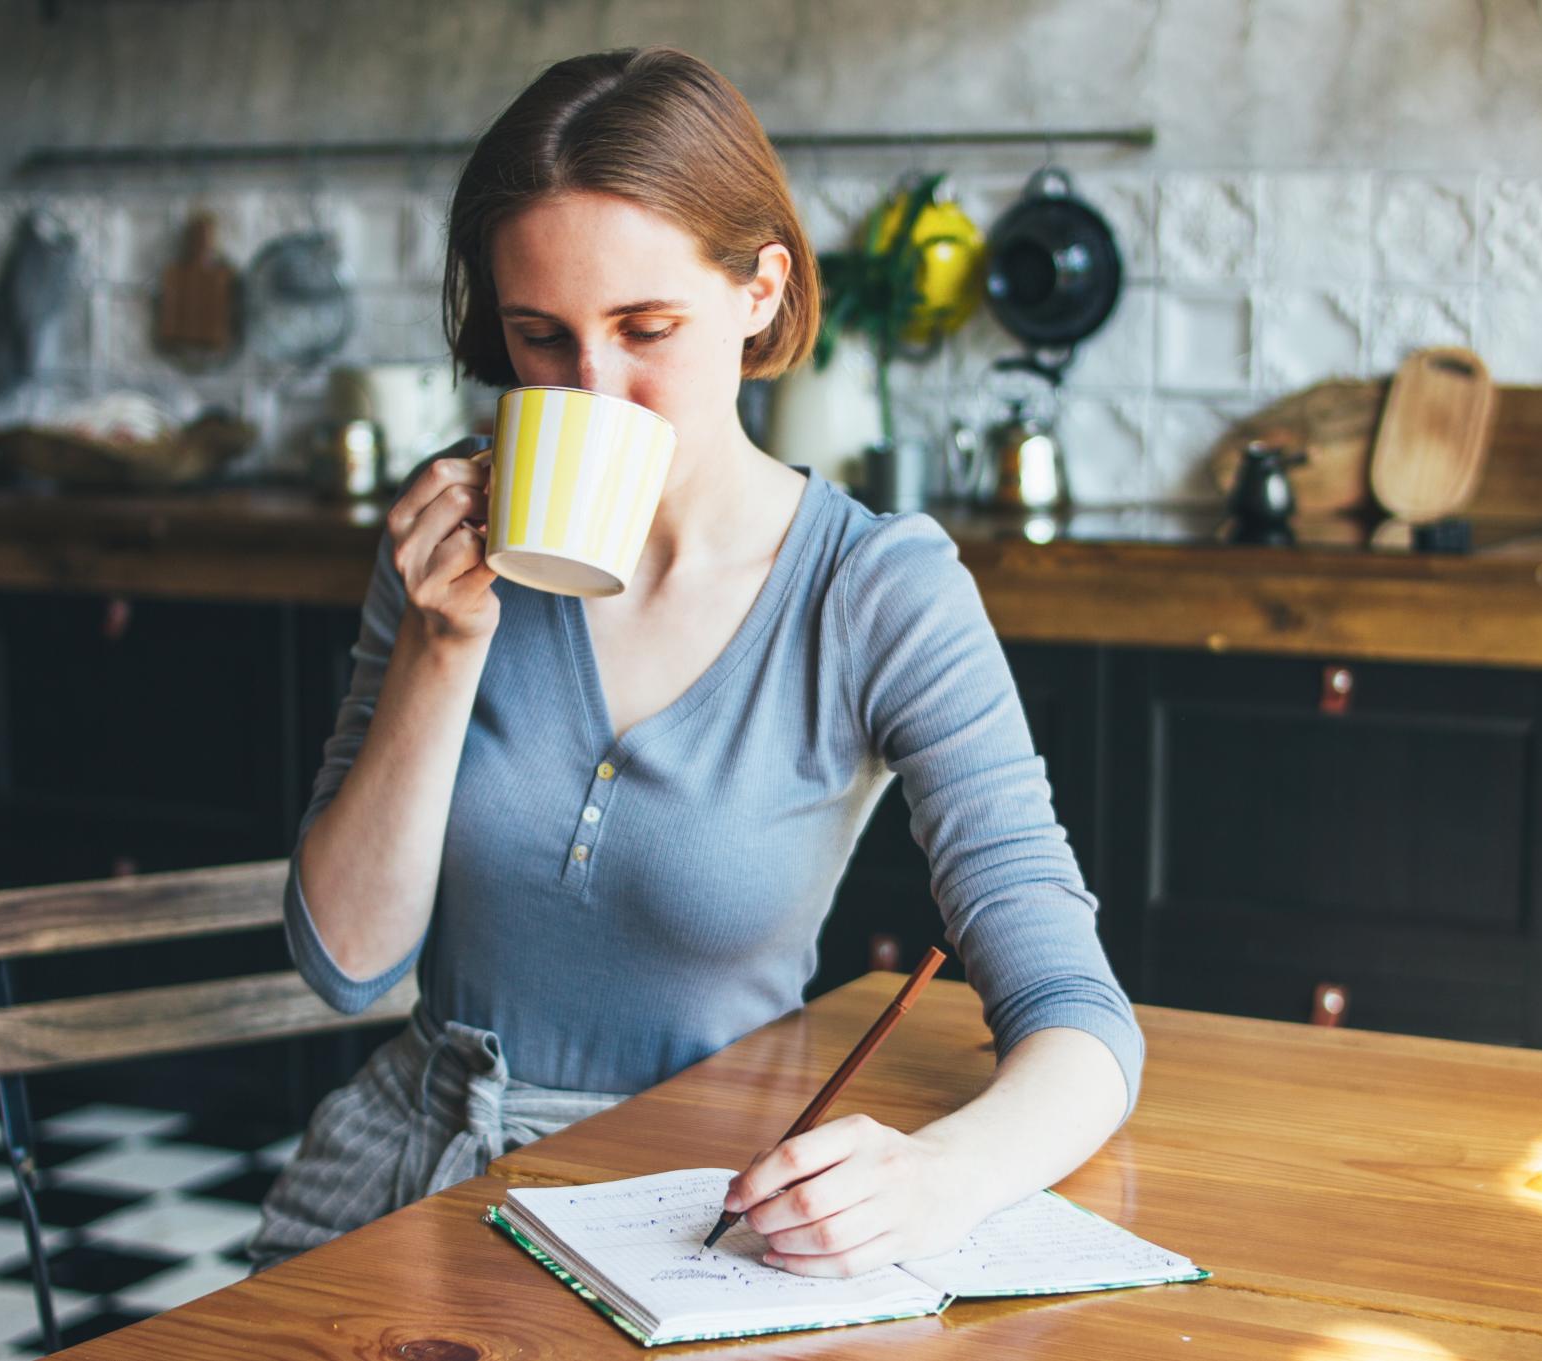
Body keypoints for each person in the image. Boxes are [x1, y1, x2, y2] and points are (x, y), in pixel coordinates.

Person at [249, 45, 1142, 1279]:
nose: (594, 389)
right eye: (540, 339)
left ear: (761, 291)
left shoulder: (875, 590)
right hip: (403, 1190)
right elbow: (344, 963)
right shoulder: (447, 539)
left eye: (645, 327)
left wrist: (943, 1177)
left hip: (691, 1221)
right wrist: (440, 646)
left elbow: (1083, 1021)